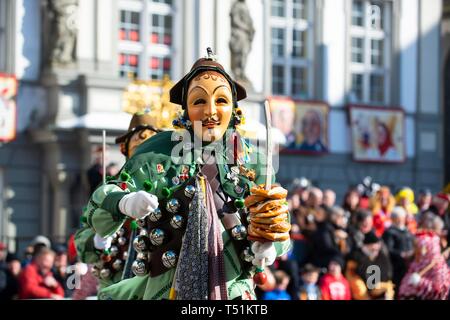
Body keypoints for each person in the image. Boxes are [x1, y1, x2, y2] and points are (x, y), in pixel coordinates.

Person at [82, 50, 291, 300]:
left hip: (234, 288)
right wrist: (125, 202)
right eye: (199, 101)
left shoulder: (251, 158)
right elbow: (103, 199)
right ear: (185, 108)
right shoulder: (160, 150)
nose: (211, 112)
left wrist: (269, 244)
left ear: (234, 107)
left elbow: (277, 218)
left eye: (222, 101)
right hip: (168, 288)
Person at [75, 112, 163, 291]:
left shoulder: (169, 184)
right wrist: (97, 240)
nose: (145, 156)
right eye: (139, 148)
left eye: (151, 148)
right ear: (125, 148)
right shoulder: (110, 186)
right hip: (116, 283)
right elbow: (81, 241)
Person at [398, 230, 450, 300]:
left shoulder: (439, 267)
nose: (416, 251)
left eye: (418, 248)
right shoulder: (415, 264)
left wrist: (420, 282)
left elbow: (440, 292)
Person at [346, 231, 394, 300]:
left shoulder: (382, 257)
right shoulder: (356, 256)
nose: (375, 251)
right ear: (366, 246)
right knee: (358, 286)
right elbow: (352, 276)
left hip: (377, 287)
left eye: (377, 249)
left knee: (388, 286)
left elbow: (388, 274)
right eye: (373, 249)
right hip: (362, 289)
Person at [382, 206, 414, 295]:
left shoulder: (407, 231)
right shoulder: (390, 232)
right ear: (393, 219)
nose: (400, 220)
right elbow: (388, 249)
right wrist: (402, 254)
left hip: (408, 266)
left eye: (402, 218)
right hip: (396, 267)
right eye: (397, 218)